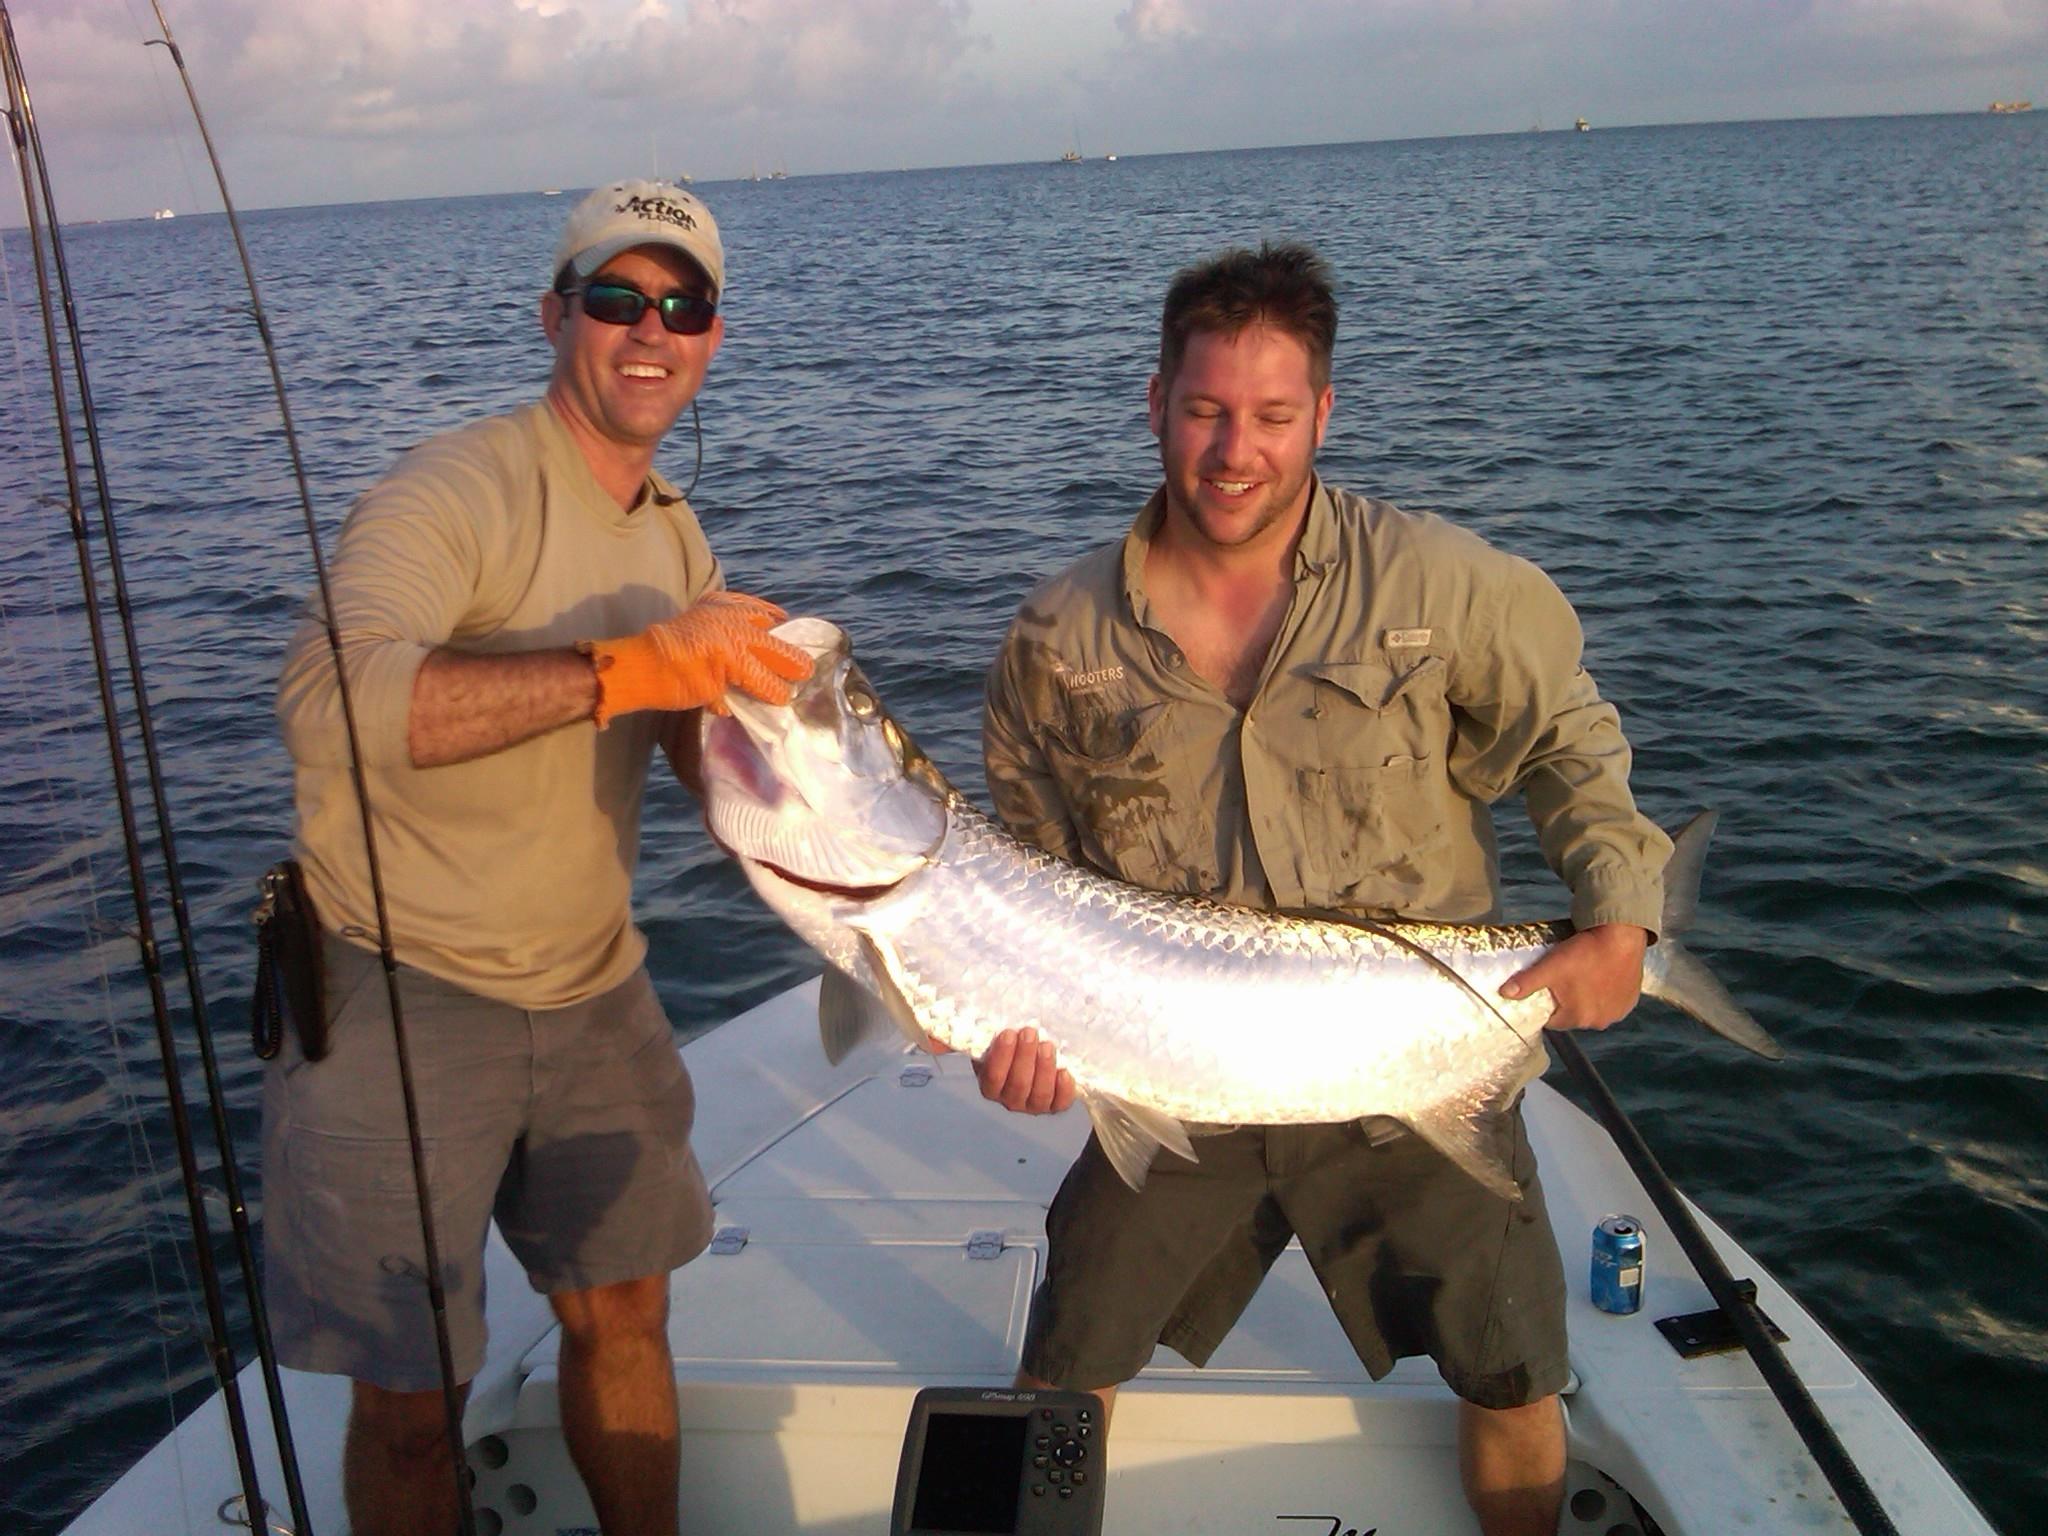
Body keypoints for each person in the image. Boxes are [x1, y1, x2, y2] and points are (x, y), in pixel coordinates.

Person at [976, 242, 1670, 1536]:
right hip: (1175, 1078)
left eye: (1273, 417)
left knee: (1515, 1372)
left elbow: (1572, 735)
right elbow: (1031, 883)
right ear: (1155, 404)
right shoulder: (1053, 642)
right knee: (1061, 1367)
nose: (1236, 450)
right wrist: (1022, 1031)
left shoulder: (1435, 582)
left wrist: (1623, 914)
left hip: (1415, 1058)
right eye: (1205, 410)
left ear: (1324, 417)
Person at [266, 180, 810, 1536]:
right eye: (617, 298)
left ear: (713, 337)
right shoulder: (457, 488)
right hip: (403, 985)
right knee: (409, 1390)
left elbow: (694, 753)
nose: (650, 330)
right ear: (556, 314)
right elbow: (327, 701)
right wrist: (629, 665)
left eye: (681, 306)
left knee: (627, 1308)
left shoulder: (673, 531)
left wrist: (798, 773)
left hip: (590, 982)